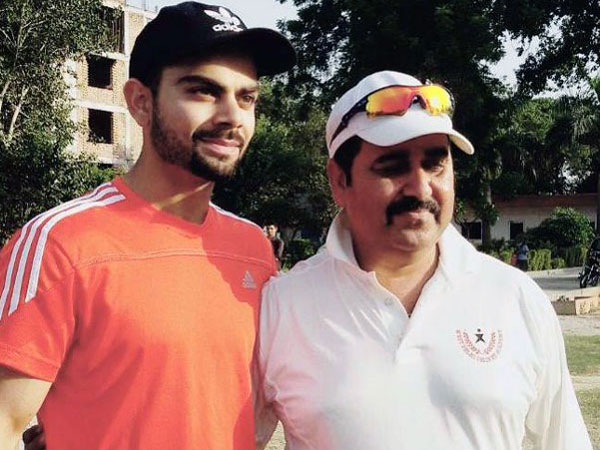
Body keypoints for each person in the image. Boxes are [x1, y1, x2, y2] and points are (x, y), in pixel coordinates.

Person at [0, 2, 295, 449]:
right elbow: (5, 422)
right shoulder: (59, 243)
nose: (233, 116)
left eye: (246, 98)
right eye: (203, 91)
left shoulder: (253, 247)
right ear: (140, 101)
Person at [255, 71, 592, 449]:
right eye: (392, 167)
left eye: (435, 165)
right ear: (339, 181)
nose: (420, 188)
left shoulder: (515, 298)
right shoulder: (282, 307)